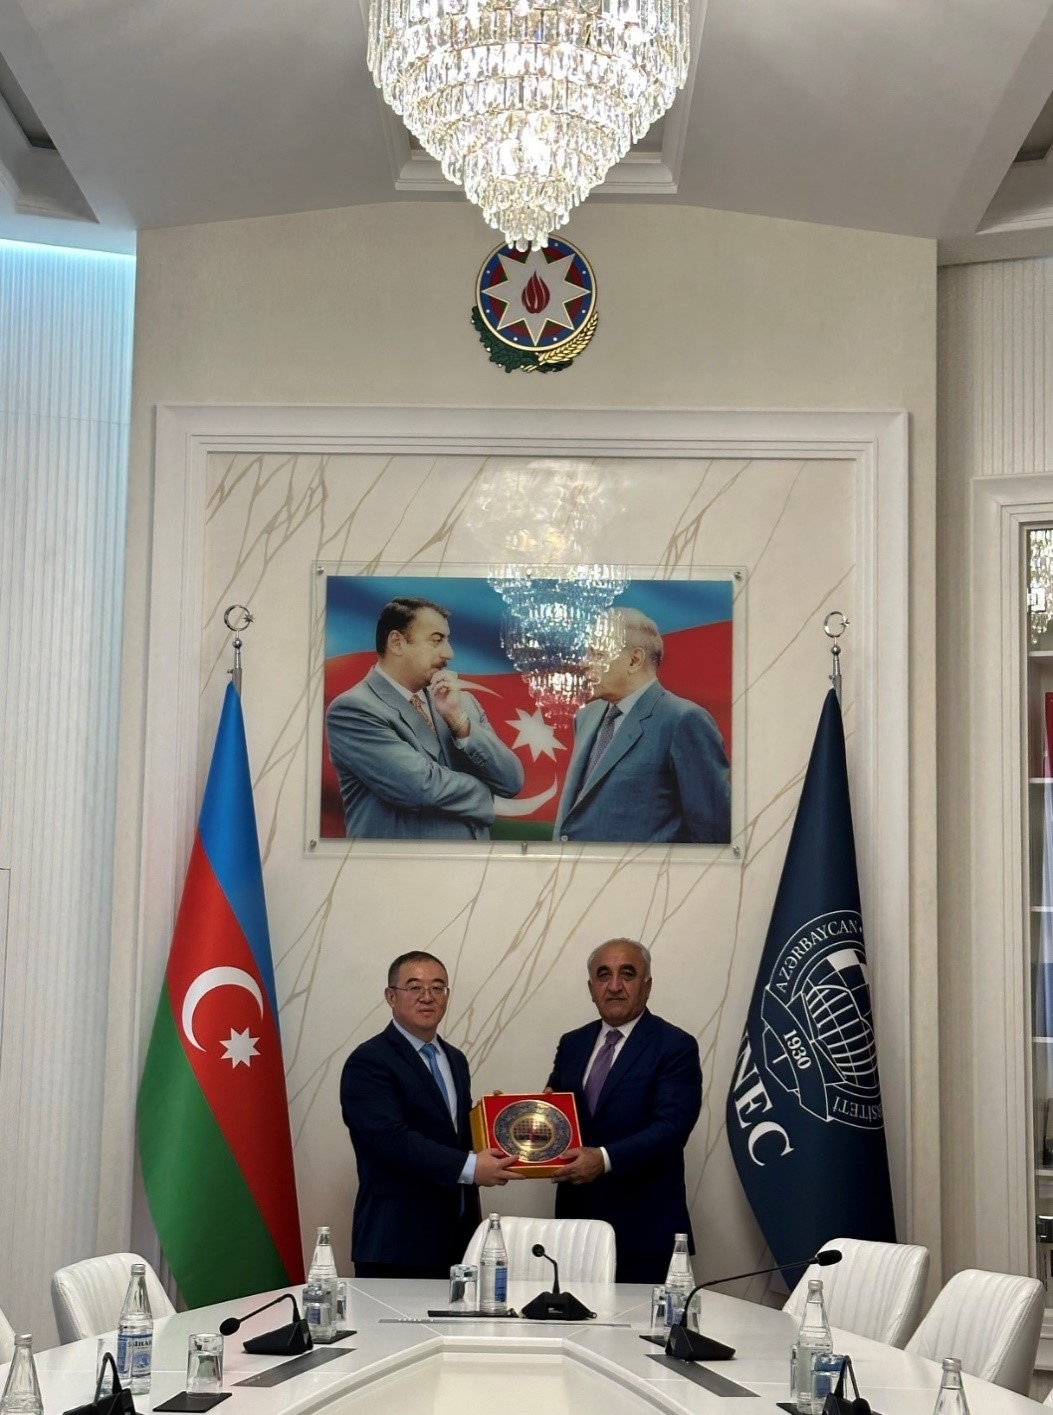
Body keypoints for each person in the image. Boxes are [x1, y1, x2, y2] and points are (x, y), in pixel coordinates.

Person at [340, 950, 523, 1277]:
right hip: (397, 1244)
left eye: (438, 988)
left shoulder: (455, 1059)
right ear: (391, 996)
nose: (427, 997)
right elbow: (391, 1139)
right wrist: (471, 1168)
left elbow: (453, 1134)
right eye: (414, 987)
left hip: (459, 1241)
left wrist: (498, 1122)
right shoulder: (369, 1061)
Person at [546, 938, 703, 1283]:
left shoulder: (675, 1045)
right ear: (591, 988)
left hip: (645, 1230)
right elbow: (556, 1112)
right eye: (604, 975)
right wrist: (517, 1115)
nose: (614, 986)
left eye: (627, 974)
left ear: (647, 986)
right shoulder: (572, 1043)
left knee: (642, 1320)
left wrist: (602, 1159)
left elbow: (672, 1127)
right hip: (576, 1229)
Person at [325, 595, 524, 839]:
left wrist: (458, 721)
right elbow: (420, 787)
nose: (449, 653)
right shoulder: (353, 709)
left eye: (447, 641)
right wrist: (485, 793)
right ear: (397, 643)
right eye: (436, 640)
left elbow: (511, 781)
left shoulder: (462, 704)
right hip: (402, 863)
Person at [552, 608, 730, 843]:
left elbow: (713, 832)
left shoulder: (684, 720)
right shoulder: (587, 716)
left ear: (634, 660)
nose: (584, 663)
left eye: (598, 654)